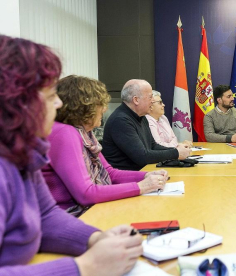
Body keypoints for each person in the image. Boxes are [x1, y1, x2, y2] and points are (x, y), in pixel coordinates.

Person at [0, 35, 142, 275]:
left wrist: (95, 238)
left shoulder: (22, 154)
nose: (57, 104)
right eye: (48, 96)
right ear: (15, 103)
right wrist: (85, 267)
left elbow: (45, 215)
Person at [42, 75, 169, 217]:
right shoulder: (65, 133)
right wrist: (141, 187)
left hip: (90, 210)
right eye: (100, 104)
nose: (104, 109)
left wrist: (146, 175)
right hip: (74, 215)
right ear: (85, 106)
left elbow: (110, 173)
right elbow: (86, 194)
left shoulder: (85, 133)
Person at [102, 79, 191, 170]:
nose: (152, 101)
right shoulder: (120, 120)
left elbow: (153, 146)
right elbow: (142, 157)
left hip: (143, 172)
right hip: (126, 179)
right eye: (150, 97)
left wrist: (177, 149)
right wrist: (176, 153)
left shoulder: (142, 117)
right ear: (136, 100)